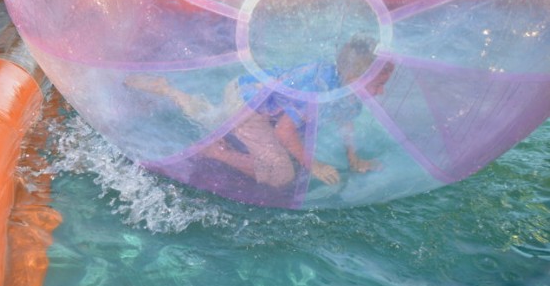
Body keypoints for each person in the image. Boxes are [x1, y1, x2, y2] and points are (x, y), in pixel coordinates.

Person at [127, 35, 395, 188]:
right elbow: (284, 131)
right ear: (356, 77)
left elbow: (345, 120)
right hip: (248, 106)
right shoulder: (318, 89)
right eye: (378, 84)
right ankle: (214, 151)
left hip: (252, 92)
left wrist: (353, 158)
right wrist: (313, 164)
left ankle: (168, 89)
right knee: (282, 174)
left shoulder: (347, 88)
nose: (381, 91)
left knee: (211, 117)